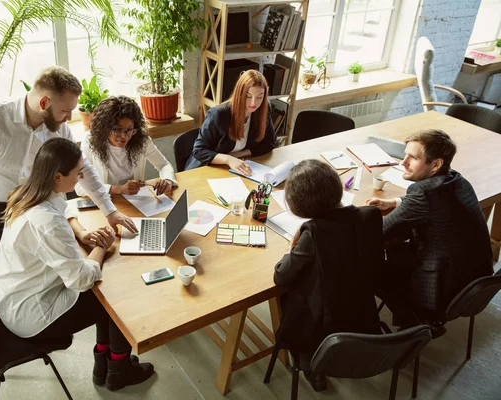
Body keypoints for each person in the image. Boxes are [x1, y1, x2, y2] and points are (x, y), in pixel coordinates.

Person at [0, 66, 137, 285]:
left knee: (37, 272)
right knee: (1, 274)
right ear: (44, 103)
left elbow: (81, 168)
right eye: (65, 111)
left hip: (34, 206)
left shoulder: (58, 127)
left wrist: (109, 210)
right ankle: (3, 315)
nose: (69, 117)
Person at [0, 138, 154, 391]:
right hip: (31, 315)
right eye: (78, 174)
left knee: (105, 288)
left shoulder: (28, 192)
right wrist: (103, 245)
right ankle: (118, 370)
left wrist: (80, 233)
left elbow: (63, 206)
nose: (81, 178)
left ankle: (106, 363)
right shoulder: (45, 222)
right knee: (116, 297)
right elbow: (82, 280)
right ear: (58, 176)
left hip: (13, 294)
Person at [366, 129, 493, 332]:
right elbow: (433, 201)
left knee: (369, 271)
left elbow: (378, 233)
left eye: (413, 158)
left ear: (436, 164)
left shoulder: (422, 193)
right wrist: (395, 202)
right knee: (396, 248)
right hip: (475, 280)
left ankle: (416, 324)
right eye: (405, 154)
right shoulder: (457, 179)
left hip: (444, 288)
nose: (402, 162)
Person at [274, 159, 382, 392]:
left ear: (301, 205)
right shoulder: (369, 214)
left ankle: (308, 361)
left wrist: (290, 250)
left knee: (286, 300)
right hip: (361, 305)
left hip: (324, 318)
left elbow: (281, 276)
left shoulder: (313, 233)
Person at [76, 95, 177, 197]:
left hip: (136, 201)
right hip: (107, 201)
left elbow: (164, 165)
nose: (124, 136)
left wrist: (167, 180)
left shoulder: (140, 138)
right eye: (118, 130)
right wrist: (118, 189)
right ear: (105, 128)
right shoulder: (90, 141)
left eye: (129, 130)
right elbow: (79, 188)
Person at [184, 70, 276, 173]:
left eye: (260, 97)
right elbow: (198, 151)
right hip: (205, 168)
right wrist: (228, 159)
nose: (254, 102)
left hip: (234, 168)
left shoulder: (263, 109)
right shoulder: (218, 114)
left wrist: (239, 155)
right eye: (248, 96)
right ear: (240, 93)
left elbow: (270, 143)